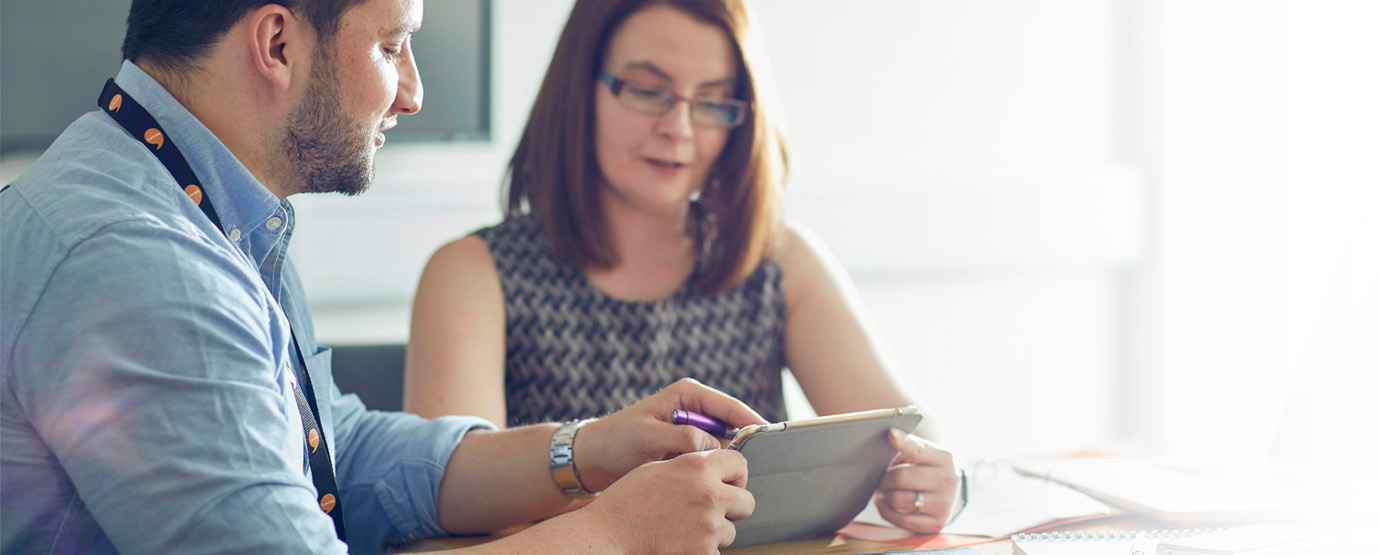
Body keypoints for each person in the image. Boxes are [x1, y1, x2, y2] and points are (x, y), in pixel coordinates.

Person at [0, 0, 767, 552]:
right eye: (393, 45)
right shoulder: (139, 265)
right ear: (276, 44)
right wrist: (616, 532)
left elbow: (341, 450)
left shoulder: (192, 200)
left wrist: (588, 450)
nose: (413, 91)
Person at [401, 0, 965, 533]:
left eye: (713, 101)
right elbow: (446, 501)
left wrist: (943, 480)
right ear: (580, 90)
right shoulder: (473, 274)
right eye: (648, 91)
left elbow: (914, 433)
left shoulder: (778, 260)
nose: (681, 128)